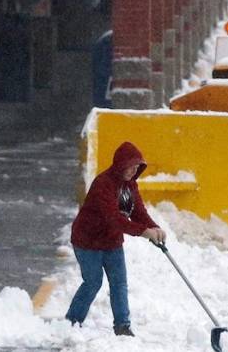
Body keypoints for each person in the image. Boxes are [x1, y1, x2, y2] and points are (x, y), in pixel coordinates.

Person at [65, 141, 166, 337]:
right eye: (131, 166)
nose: (134, 170)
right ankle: (73, 321)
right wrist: (145, 233)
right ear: (120, 164)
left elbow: (138, 213)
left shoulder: (130, 186)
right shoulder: (103, 184)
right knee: (93, 282)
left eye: (137, 166)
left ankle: (122, 326)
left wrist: (154, 227)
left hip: (111, 242)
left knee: (119, 283)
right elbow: (114, 219)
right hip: (87, 241)